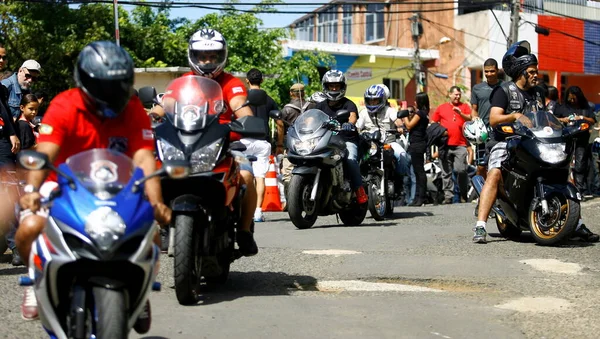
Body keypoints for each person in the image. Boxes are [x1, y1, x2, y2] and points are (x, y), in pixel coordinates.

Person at [15, 42, 171, 329]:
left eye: (118, 85)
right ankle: (35, 279)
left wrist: (156, 201)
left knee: (151, 234)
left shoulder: (133, 108)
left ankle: (140, 287)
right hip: (62, 186)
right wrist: (32, 191)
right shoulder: (65, 105)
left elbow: (143, 157)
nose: (111, 93)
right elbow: (45, 152)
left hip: (118, 188)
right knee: (28, 228)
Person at [472, 40, 598, 244]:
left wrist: (565, 127)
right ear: (521, 72)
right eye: (531, 71)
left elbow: (545, 117)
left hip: (533, 141)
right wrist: (515, 116)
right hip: (506, 140)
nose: (535, 74)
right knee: (494, 172)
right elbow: (494, 119)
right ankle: (480, 226)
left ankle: (577, 223)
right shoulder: (504, 91)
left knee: (563, 171)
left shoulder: (538, 92)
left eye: (535, 70)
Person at [151, 28, 259, 256]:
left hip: (223, 143)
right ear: (194, 56)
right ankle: (161, 224)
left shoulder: (231, 83)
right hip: (185, 143)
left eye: (213, 56)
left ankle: (245, 231)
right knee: (152, 173)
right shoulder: (183, 82)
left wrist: (247, 120)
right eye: (202, 56)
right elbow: (164, 105)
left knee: (247, 176)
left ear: (221, 57)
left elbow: (240, 106)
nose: (208, 61)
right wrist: (150, 117)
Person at [315, 70, 367, 205]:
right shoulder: (320, 105)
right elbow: (311, 118)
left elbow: (352, 117)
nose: (333, 89)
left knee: (350, 160)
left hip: (346, 140)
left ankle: (359, 189)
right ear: (325, 87)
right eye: (331, 86)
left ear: (342, 87)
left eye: (337, 86)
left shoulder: (348, 104)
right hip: (325, 140)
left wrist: (349, 124)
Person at [244, 68, 277, 222]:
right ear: (262, 81)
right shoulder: (268, 100)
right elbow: (279, 122)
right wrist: (280, 143)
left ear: (247, 80)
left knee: (242, 176)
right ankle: (257, 212)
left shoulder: (241, 99)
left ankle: (243, 209)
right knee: (260, 177)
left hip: (243, 141)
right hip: (262, 142)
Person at [356, 84, 408, 182]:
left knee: (402, 155)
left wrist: (400, 127)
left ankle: (401, 181)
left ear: (382, 100)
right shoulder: (363, 113)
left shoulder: (389, 111)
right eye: (370, 100)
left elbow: (398, 121)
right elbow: (357, 126)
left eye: (375, 100)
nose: (372, 103)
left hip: (388, 143)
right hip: (370, 145)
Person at [431, 86, 472, 204]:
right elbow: (434, 123)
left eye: (459, 94)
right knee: (446, 172)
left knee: (461, 170)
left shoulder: (464, 107)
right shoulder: (441, 108)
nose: (457, 96)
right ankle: (448, 196)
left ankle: (463, 193)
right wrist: (440, 132)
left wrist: (461, 113)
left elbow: (470, 118)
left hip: (461, 144)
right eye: (455, 94)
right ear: (449, 94)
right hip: (445, 145)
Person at [553, 86, 596, 197]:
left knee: (580, 165)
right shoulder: (562, 107)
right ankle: (562, 188)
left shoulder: (586, 108)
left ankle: (579, 189)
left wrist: (582, 118)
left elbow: (592, 120)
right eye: (570, 98)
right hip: (566, 140)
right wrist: (564, 120)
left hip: (582, 140)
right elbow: (553, 118)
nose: (572, 101)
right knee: (563, 164)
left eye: (574, 99)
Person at [470, 58, 502, 178]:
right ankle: (482, 193)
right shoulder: (477, 88)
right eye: (486, 71)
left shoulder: (504, 87)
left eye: (492, 71)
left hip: (500, 133)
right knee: (481, 166)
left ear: (497, 71)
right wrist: (474, 120)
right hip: (483, 134)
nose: (489, 74)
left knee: (499, 166)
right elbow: (474, 110)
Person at [399, 93, 430, 206]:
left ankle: (421, 197)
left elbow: (408, 126)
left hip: (417, 144)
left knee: (419, 171)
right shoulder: (424, 113)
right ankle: (417, 197)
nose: (415, 103)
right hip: (418, 143)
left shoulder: (420, 113)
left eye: (416, 101)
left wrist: (405, 115)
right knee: (417, 172)